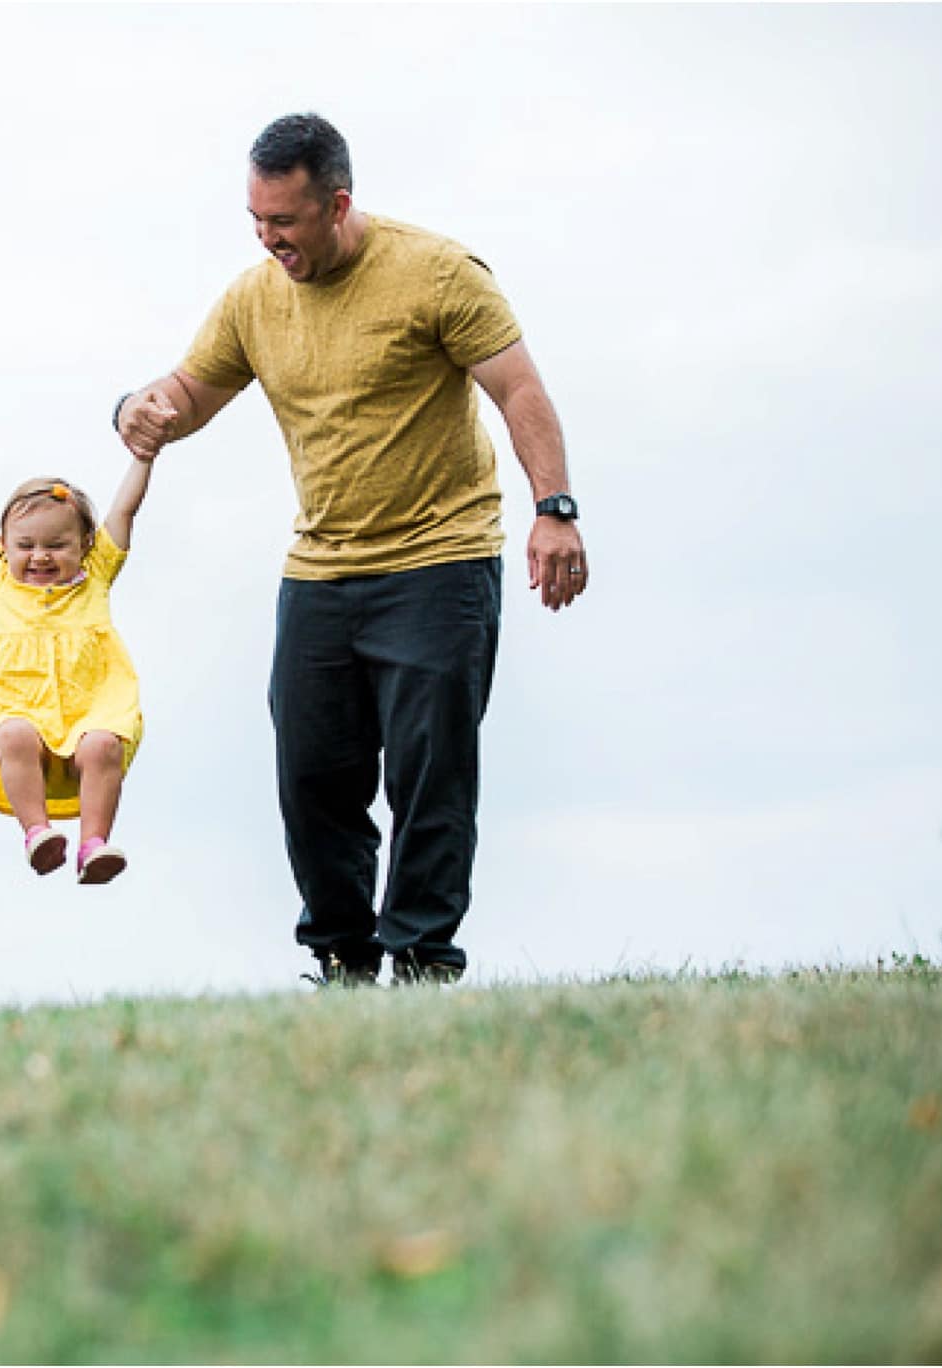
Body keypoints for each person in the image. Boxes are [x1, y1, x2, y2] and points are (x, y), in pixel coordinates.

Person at [112, 112, 588, 988]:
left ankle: (423, 960)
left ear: (337, 205)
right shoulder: (255, 296)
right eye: (256, 221)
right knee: (311, 778)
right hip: (321, 572)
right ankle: (341, 959)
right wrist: (138, 407)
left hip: (440, 561)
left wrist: (553, 509)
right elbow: (187, 391)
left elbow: (520, 388)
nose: (268, 239)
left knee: (429, 774)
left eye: (284, 222)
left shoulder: (436, 271)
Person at [0, 457, 152, 884]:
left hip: (92, 704)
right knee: (12, 734)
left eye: (56, 545)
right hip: (23, 704)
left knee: (103, 746)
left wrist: (144, 458)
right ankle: (37, 832)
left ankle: (94, 845)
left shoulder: (97, 575)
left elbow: (125, 509)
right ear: (5, 545)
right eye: (26, 545)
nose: (40, 556)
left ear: (85, 543)